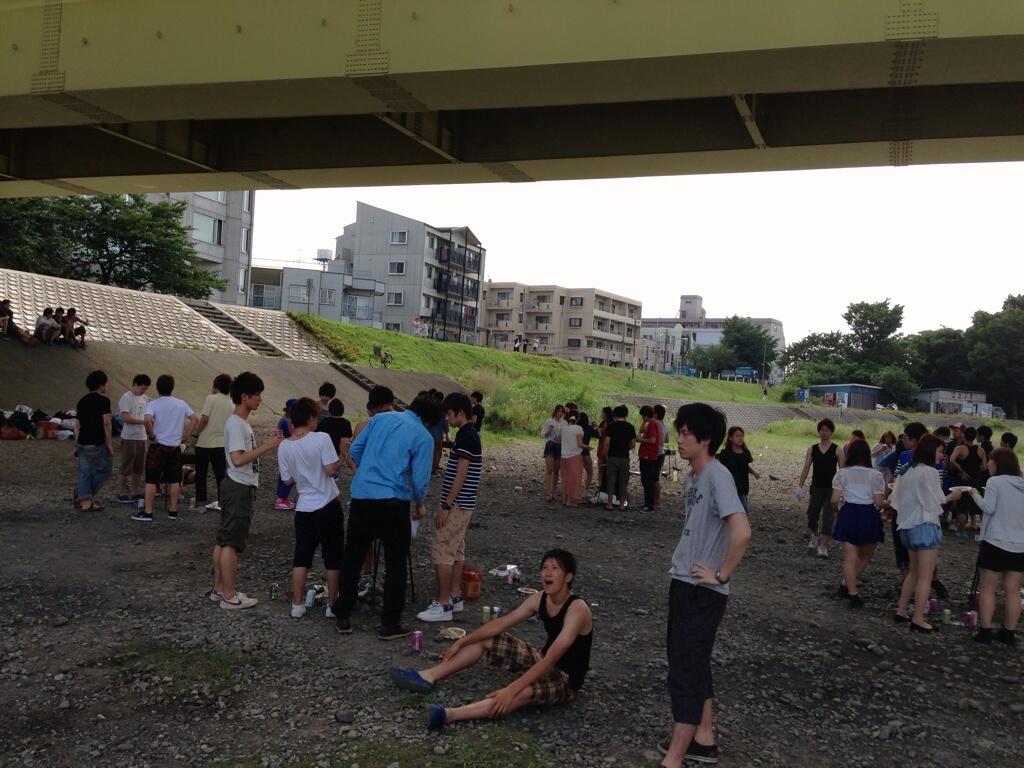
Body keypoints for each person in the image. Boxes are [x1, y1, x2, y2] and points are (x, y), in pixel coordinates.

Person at [390, 549, 593, 731]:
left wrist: (510, 690)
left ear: (568, 577)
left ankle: (447, 715)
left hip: (565, 679)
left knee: (520, 694)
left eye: (555, 568)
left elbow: (551, 659)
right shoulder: (541, 598)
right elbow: (501, 623)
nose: (547, 573)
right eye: (545, 568)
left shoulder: (577, 609)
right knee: (486, 637)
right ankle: (427, 676)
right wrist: (462, 641)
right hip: (541, 658)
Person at [661, 403, 751, 768]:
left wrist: (721, 575)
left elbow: (742, 531)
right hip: (685, 582)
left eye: (686, 434)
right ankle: (704, 738)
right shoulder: (692, 477)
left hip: (702, 590)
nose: (680, 440)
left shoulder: (717, 475)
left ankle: (674, 758)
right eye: (679, 432)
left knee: (685, 670)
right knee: (694, 664)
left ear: (706, 439)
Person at [334, 393, 441, 640]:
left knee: (353, 556)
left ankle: (343, 613)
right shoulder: (423, 436)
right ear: (430, 421)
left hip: (362, 496)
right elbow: (420, 479)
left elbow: (355, 450)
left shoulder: (380, 419)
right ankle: (390, 622)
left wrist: (370, 470)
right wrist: (420, 504)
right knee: (395, 562)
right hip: (393, 502)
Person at [210, 371, 283, 610]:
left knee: (224, 539)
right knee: (231, 542)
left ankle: (219, 589)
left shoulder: (240, 423)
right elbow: (238, 459)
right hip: (239, 486)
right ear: (244, 396)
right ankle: (230, 596)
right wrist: (269, 445)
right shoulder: (236, 424)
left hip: (236, 484)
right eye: (256, 394)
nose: (260, 399)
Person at [277, 397, 347, 619]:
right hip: (327, 504)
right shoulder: (321, 438)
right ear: (310, 418)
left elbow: (287, 480)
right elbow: (330, 470)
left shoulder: (284, 446)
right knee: (333, 557)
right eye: (316, 416)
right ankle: (332, 605)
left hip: (303, 507)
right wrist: (342, 455)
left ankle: (297, 604)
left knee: (301, 557)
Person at [417, 392, 482, 622]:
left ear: (460, 413)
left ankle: (443, 604)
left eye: (449, 414)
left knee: (442, 550)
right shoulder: (469, 433)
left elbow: (461, 475)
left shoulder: (467, 436)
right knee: (456, 550)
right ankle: (455, 596)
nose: (446, 418)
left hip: (457, 504)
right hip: (464, 503)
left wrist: (446, 505)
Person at [891, 434, 963, 632]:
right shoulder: (929, 471)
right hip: (925, 527)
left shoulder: (907, 470)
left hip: (907, 527)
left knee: (913, 573)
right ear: (930, 451)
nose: (942, 456)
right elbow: (937, 500)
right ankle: (918, 618)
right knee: (925, 576)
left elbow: (896, 499)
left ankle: (901, 611)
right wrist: (953, 496)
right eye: (940, 452)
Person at [965, 448, 1024, 645]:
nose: (988, 464)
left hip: (995, 542)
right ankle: (1009, 633)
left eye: (991, 460)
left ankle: (985, 631)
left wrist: (974, 493)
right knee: (1013, 591)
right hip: (1020, 545)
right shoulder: (1022, 484)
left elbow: (988, 508)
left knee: (988, 588)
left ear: (998, 463)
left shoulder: (995, 482)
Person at [351, 385, 395, 599]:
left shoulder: (363, 426)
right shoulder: (398, 425)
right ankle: (389, 576)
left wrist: (362, 471)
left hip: (365, 490)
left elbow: (354, 453)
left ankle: (366, 575)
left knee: (363, 538)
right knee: (391, 537)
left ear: (371, 407)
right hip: (391, 490)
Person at [831, 438, 886, 608]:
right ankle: (848, 587)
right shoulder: (876, 475)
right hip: (868, 514)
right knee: (866, 554)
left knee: (849, 557)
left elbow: (834, 500)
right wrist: (888, 503)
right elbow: (878, 502)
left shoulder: (842, 473)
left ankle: (850, 591)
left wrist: (837, 512)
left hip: (848, 512)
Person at [133, 374, 195, 523]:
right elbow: (195, 419)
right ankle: (173, 511)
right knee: (174, 480)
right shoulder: (181, 404)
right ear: (172, 387)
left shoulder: (154, 404)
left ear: (157, 387)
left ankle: (148, 512)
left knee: (151, 479)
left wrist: (152, 435)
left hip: (158, 446)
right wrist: (186, 435)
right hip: (175, 447)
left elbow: (147, 420)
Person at [797, 418, 839, 559]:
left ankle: (823, 546)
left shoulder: (837, 450)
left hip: (831, 489)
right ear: (819, 431)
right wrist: (799, 487)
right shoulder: (812, 449)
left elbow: (843, 472)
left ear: (831, 432)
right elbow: (806, 468)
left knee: (828, 519)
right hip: (816, 488)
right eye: (821, 430)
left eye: (827, 430)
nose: (824, 432)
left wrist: (843, 490)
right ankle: (815, 536)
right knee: (812, 517)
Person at [192, 374, 233, 512]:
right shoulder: (231, 402)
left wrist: (195, 434)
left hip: (205, 442)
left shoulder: (211, 398)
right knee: (220, 474)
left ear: (216, 386)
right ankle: (223, 502)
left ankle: (200, 502)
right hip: (221, 443)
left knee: (201, 474)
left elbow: (204, 419)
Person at [75, 370, 114, 512]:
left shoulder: (81, 401)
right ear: (101, 385)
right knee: (105, 470)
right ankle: (85, 496)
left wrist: (76, 442)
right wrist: (109, 443)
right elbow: (106, 422)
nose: (107, 385)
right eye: (106, 383)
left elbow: (77, 424)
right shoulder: (104, 401)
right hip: (96, 442)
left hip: (82, 441)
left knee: (84, 471)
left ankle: (84, 498)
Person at [116, 374, 151, 504]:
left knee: (139, 466)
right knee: (126, 466)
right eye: (142, 388)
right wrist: (143, 422)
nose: (143, 391)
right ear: (135, 385)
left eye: (145, 389)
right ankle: (121, 492)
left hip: (141, 437)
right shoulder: (126, 398)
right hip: (129, 437)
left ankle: (136, 491)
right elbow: (125, 418)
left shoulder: (145, 398)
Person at [949, 426, 988, 536]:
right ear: (975, 437)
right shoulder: (981, 450)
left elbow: (951, 460)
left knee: (961, 506)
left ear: (964, 436)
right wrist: (977, 469)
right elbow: (985, 467)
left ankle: (962, 532)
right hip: (976, 480)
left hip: (964, 480)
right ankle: (976, 526)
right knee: (974, 504)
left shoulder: (960, 448)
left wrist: (961, 470)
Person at [717, 426, 760, 513]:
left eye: (742, 436)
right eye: (737, 436)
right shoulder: (725, 454)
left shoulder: (745, 452)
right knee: (743, 510)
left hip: (743, 486)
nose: (740, 438)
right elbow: (717, 466)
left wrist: (753, 472)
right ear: (730, 438)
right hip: (731, 487)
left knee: (739, 510)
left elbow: (744, 466)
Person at [602, 405, 636, 510]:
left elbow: (607, 442)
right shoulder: (630, 427)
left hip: (612, 456)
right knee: (623, 481)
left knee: (611, 480)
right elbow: (633, 444)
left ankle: (609, 504)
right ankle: (621, 505)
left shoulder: (611, 426)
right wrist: (626, 448)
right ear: (626, 414)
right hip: (624, 457)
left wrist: (606, 454)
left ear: (615, 414)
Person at [558, 411, 585, 507]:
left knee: (565, 478)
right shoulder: (578, 428)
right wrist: (588, 447)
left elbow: (558, 439)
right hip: (575, 456)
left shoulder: (563, 428)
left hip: (563, 456)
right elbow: (580, 444)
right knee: (574, 478)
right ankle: (570, 501)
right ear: (577, 419)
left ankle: (564, 500)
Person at [274, 399, 297, 511]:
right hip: (290, 450)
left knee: (283, 474)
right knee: (290, 474)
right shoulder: (286, 421)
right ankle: (281, 499)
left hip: (286, 450)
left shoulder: (285, 419)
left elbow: (277, 432)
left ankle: (280, 497)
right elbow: (278, 432)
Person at [638, 405, 661, 512]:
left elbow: (653, 440)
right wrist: (644, 422)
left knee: (647, 481)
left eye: (643, 416)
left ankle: (649, 505)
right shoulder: (650, 423)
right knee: (645, 480)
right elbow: (641, 430)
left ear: (646, 415)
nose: (642, 418)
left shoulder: (652, 424)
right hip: (646, 455)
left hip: (649, 456)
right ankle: (647, 503)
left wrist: (641, 440)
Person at [316, 398, 353, 465]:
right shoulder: (346, 423)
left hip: (324, 452)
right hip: (338, 453)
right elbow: (347, 439)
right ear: (342, 410)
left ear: (330, 410)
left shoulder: (325, 421)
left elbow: (317, 434)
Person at [541, 405, 564, 503]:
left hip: (559, 446)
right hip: (550, 445)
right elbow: (543, 434)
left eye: (562, 412)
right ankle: (548, 493)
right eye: (559, 411)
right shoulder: (549, 421)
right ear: (555, 411)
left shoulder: (564, 423)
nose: (560, 413)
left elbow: (566, 436)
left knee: (556, 470)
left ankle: (553, 492)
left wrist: (561, 440)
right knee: (549, 469)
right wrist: (549, 430)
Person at [653, 404, 670, 510]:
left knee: (654, 478)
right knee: (656, 477)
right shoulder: (664, 424)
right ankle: (656, 499)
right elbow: (667, 439)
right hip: (662, 452)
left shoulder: (655, 423)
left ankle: (657, 500)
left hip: (656, 453)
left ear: (656, 413)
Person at [596, 406, 613, 494]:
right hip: (602, 445)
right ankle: (601, 485)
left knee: (604, 467)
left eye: (602, 412)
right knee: (601, 467)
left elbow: (602, 434)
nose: (601, 414)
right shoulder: (603, 422)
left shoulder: (609, 423)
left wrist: (598, 429)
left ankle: (604, 485)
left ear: (605, 413)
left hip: (605, 445)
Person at [578, 412, 596, 494]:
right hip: (585, 452)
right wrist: (595, 427)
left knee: (577, 472)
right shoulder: (588, 428)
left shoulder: (575, 427)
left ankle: (575, 490)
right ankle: (585, 490)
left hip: (575, 452)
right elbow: (597, 435)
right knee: (590, 472)